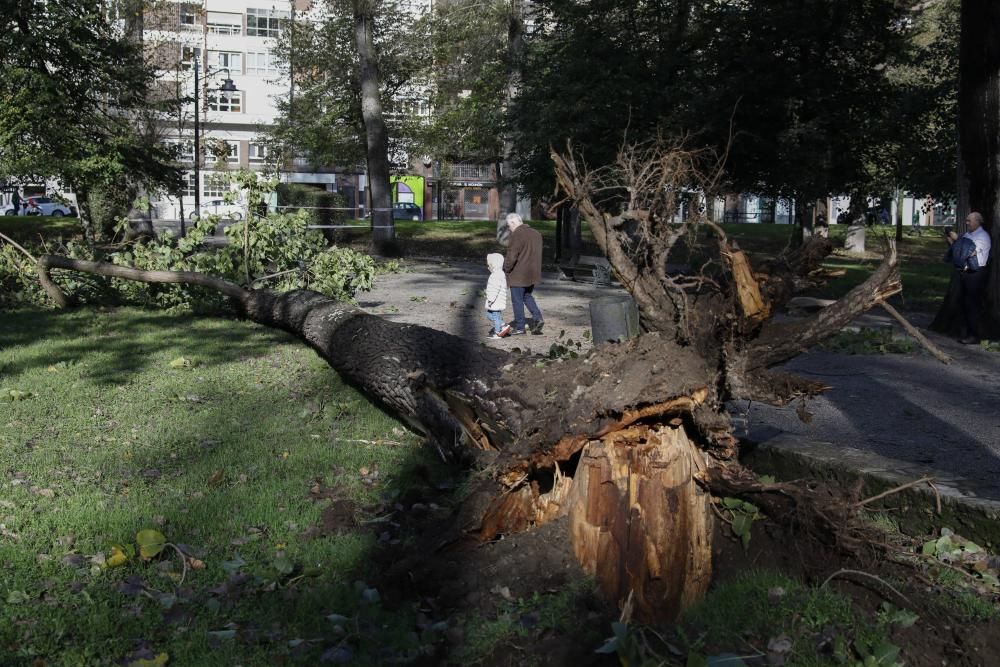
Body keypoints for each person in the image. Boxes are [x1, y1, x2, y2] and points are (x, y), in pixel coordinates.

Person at [944, 211, 992, 344]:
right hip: (964, 273)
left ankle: (974, 335)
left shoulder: (983, 236)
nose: (967, 223)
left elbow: (970, 252)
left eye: (969, 221)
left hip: (976, 274)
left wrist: (958, 240)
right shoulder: (967, 235)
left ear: (978, 222)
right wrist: (949, 238)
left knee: (972, 304)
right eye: (966, 220)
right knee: (963, 303)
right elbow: (956, 250)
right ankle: (965, 332)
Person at [502, 212, 544, 335]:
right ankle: (538, 318)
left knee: (517, 300)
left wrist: (506, 268)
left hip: (519, 274)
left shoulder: (517, 234)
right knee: (527, 296)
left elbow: (512, 255)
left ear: (514, 223)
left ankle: (520, 327)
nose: (509, 229)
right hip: (532, 273)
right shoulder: (536, 234)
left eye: (509, 226)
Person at [484, 253, 513, 340]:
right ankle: (503, 325)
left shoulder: (496, 275)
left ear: (495, 264)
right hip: (495, 300)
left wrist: (491, 299)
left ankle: (497, 332)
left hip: (495, 301)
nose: (488, 266)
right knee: (489, 315)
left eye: (490, 264)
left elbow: (495, 289)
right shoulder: (497, 273)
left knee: (496, 316)